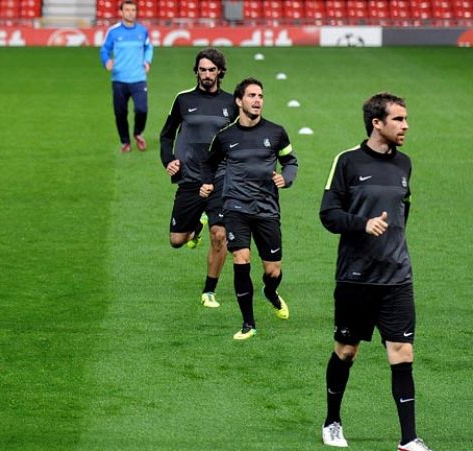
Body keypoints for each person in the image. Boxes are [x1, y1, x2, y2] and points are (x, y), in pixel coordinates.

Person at [319, 93, 432, 451]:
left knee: (402, 351)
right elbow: (328, 214)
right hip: (355, 277)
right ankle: (332, 420)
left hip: (397, 276)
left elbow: (403, 212)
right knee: (346, 351)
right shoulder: (348, 162)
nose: (406, 125)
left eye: (405, 118)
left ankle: (408, 439)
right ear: (377, 123)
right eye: (398, 119)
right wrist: (362, 225)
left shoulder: (405, 165)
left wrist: (392, 246)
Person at [200, 78, 297, 340]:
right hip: (235, 208)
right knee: (241, 259)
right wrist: (208, 184)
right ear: (239, 101)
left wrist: (285, 178)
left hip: (266, 209)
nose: (257, 100)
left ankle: (270, 291)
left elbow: (290, 161)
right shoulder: (225, 137)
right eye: (252, 95)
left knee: (272, 270)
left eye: (261, 96)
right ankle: (248, 324)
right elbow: (210, 164)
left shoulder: (276, 132)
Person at [160, 48, 237, 308]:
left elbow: (241, 138)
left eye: (211, 70)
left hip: (221, 179)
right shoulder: (182, 100)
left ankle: (209, 291)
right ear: (196, 72)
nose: (206, 75)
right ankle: (196, 226)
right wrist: (168, 160)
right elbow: (166, 135)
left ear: (220, 72)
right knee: (177, 241)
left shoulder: (231, 103)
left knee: (220, 235)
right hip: (190, 177)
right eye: (202, 70)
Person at [99, 0, 153, 153]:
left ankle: (138, 133)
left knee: (142, 109)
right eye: (127, 10)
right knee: (120, 113)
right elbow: (104, 50)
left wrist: (147, 61)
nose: (130, 13)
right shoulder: (113, 32)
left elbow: (148, 47)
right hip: (119, 80)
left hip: (138, 78)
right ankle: (125, 141)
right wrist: (106, 61)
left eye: (133, 10)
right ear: (121, 12)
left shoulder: (142, 31)